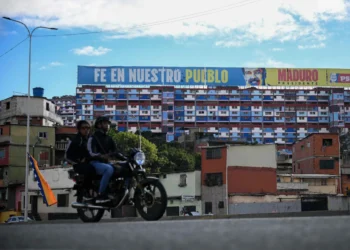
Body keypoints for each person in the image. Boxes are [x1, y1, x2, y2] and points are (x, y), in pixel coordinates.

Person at [87, 116, 125, 204]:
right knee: (109, 169)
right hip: (95, 163)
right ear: (99, 125)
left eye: (108, 123)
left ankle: (116, 192)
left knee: (124, 167)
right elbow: (90, 152)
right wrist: (101, 156)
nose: (107, 125)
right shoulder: (93, 138)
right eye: (105, 123)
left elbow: (116, 152)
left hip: (106, 163)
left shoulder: (109, 138)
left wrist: (126, 158)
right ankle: (101, 194)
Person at [65, 120, 95, 201]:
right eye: (83, 128)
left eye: (88, 128)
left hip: (90, 162)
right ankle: (87, 190)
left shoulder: (91, 139)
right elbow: (67, 156)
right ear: (79, 129)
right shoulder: (74, 140)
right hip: (78, 165)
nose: (86, 130)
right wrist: (78, 161)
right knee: (91, 169)